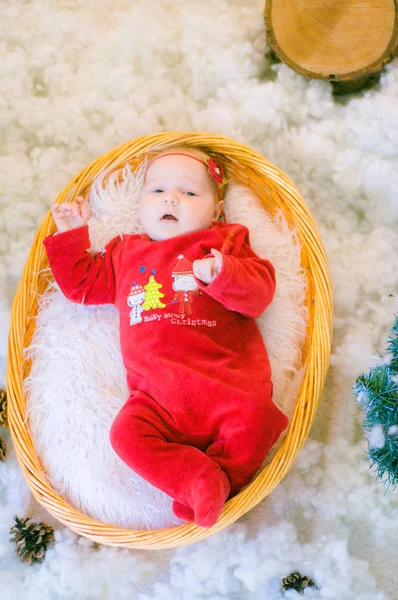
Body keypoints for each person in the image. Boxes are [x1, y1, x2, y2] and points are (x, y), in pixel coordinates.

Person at [43, 147, 289, 528]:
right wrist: (72, 233)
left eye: (190, 193)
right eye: (157, 191)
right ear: (141, 205)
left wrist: (225, 273)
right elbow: (81, 286)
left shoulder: (224, 243)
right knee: (126, 435)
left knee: (257, 422)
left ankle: (213, 480)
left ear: (218, 211)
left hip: (228, 388)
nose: (171, 198)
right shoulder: (126, 253)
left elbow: (259, 296)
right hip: (157, 402)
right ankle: (194, 477)